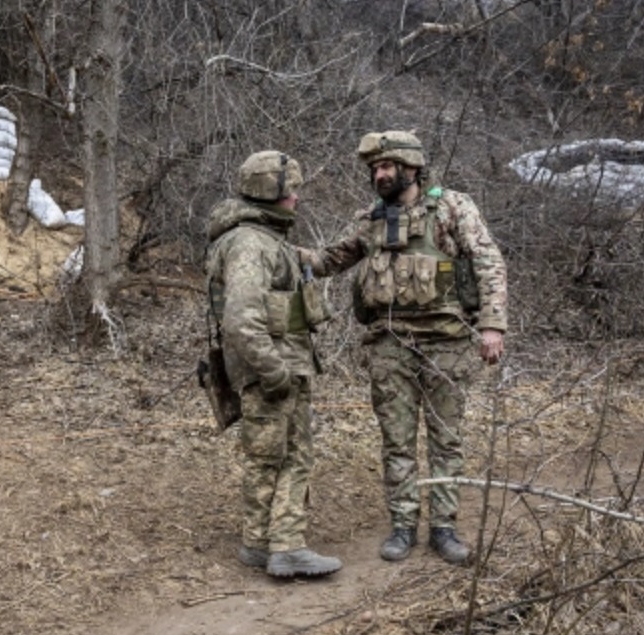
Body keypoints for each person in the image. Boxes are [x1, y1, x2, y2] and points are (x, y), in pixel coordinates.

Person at [300, 131, 508, 565]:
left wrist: (492, 326)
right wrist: (269, 246)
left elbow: (488, 261)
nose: (378, 175)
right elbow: (328, 260)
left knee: (446, 439)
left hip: (447, 343)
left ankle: (444, 527)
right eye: (374, 169)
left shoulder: (452, 207)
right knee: (396, 441)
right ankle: (403, 525)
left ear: (411, 167)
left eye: (386, 167)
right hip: (389, 346)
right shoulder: (371, 219)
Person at [203, 150, 342, 579]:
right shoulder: (251, 244)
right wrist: (273, 370)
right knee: (291, 456)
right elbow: (241, 318)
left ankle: (259, 542)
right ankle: (287, 546)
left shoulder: (260, 238)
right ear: (273, 192)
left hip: (272, 365)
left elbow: (318, 262)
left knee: (265, 455)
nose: (298, 198)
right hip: (275, 370)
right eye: (293, 190)